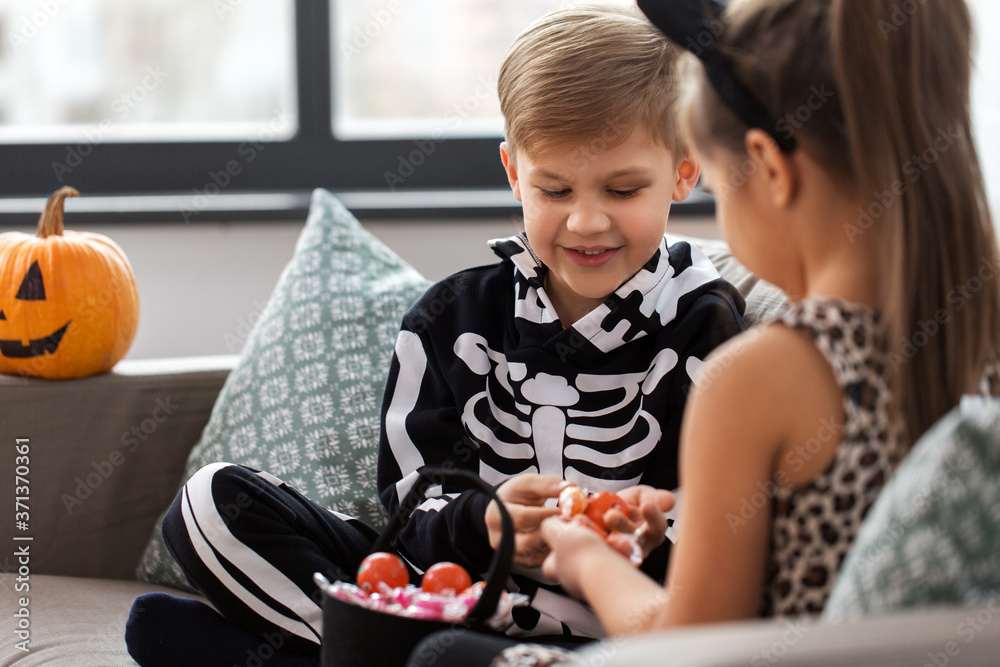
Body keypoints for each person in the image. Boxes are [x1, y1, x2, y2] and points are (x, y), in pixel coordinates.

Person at [123, 4, 746, 666]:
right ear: (514, 173)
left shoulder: (704, 324)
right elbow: (410, 524)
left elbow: (713, 553)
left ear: (684, 170)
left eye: (623, 189)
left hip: (600, 631)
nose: (586, 221)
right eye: (555, 188)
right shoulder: (447, 319)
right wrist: (482, 521)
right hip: (442, 590)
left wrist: (631, 538)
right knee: (210, 503)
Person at [433, 0, 1000, 664]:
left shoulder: (758, 379)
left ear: (770, 168)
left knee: (441, 654)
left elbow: (691, 647)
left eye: (720, 181)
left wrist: (585, 556)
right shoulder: (977, 337)